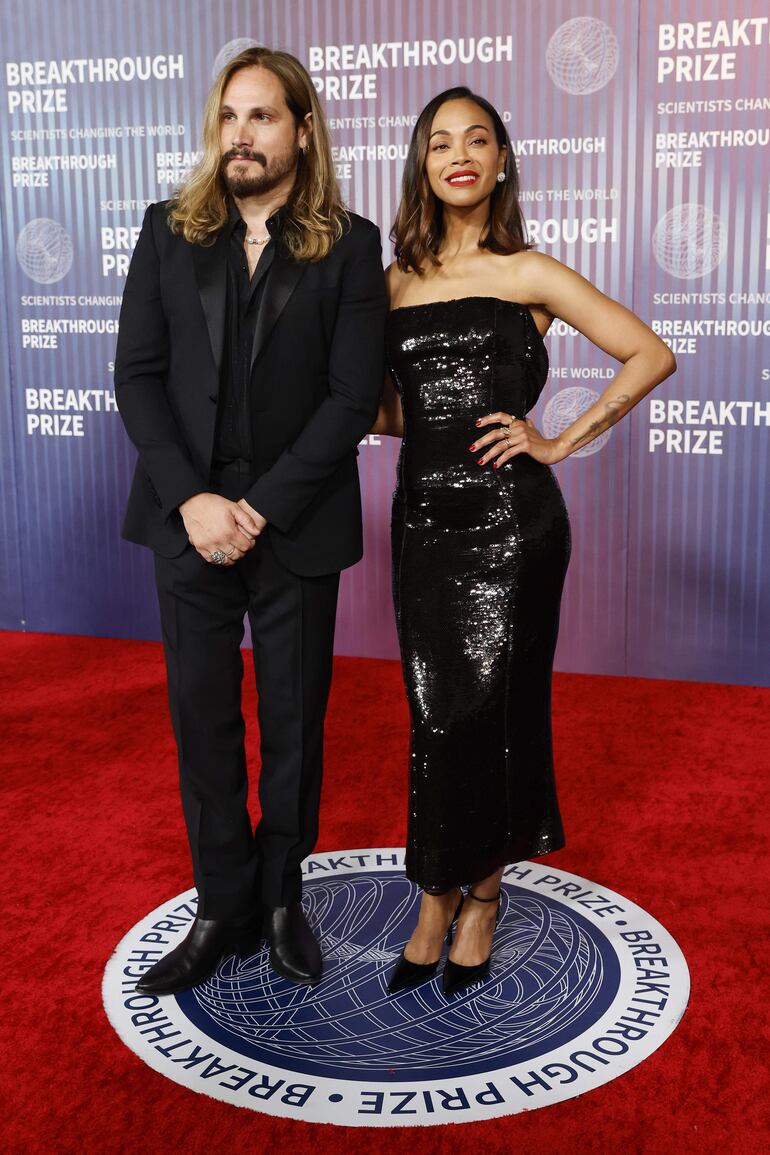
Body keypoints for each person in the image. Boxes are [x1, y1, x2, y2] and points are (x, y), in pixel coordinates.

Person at [374, 86, 675, 997]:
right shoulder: (391, 285)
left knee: (495, 714)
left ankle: (482, 899)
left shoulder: (531, 273)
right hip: (424, 522)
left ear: (501, 160)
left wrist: (557, 439)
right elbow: (401, 413)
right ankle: (435, 891)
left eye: (477, 139)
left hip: (513, 527)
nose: (458, 153)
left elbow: (650, 352)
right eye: (438, 142)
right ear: (421, 166)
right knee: (434, 714)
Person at [115, 47, 387, 994]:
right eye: (230, 116)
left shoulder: (350, 245)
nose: (241, 135)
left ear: (302, 131)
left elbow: (353, 398)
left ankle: (280, 899)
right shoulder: (166, 230)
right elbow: (137, 378)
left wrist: (260, 507)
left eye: (263, 117)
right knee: (202, 720)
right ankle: (221, 904)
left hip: (294, 520)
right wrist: (192, 498)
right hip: (184, 519)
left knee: (294, 724)